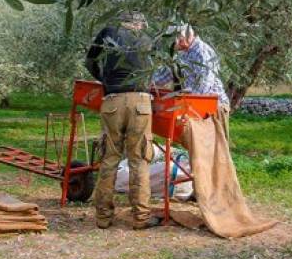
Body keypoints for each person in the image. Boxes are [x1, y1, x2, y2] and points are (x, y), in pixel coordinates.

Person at [85, 12, 160, 230]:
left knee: (109, 158)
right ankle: (141, 218)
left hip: (112, 101)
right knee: (139, 159)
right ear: (139, 23)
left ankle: (103, 217)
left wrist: (105, 79)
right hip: (141, 102)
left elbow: (90, 60)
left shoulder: (108, 32)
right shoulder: (147, 38)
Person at [152, 24, 231, 140]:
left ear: (182, 39)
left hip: (213, 108)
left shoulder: (202, 52)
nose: (171, 45)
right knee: (197, 149)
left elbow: (203, 87)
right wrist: (143, 83)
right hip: (195, 107)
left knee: (214, 149)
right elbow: (164, 75)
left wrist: (186, 107)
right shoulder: (181, 53)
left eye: (172, 41)